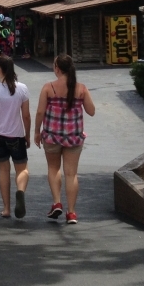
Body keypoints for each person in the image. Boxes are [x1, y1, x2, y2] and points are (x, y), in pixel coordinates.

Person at [34, 54, 96, 224]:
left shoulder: (49, 88)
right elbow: (91, 111)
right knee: (71, 174)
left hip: (52, 135)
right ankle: (72, 213)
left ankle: (56, 202)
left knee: (54, 169)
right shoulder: (81, 88)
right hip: (74, 137)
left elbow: (40, 112)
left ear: (57, 69)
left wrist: (36, 132)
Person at [0, 55, 31, 219]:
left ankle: (6, 208)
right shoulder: (22, 88)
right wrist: (27, 135)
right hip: (16, 135)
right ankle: (20, 190)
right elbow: (26, 116)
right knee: (23, 169)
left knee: (3, 170)